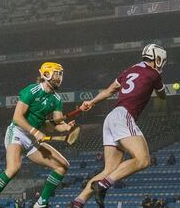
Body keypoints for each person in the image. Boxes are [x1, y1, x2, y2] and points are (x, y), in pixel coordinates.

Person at [71, 43, 168, 208]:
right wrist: (160, 82)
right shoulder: (154, 74)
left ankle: (76, 203)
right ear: (157, 58)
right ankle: (102, 185)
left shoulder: (128, 71)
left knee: (109, 169)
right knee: (143, 160)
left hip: (111, 118)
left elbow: (109, 91)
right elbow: (162, 96)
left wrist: (91, 102)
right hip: (124, 115)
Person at [0, 62, 75, 208]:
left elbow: (56, 124)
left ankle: (41, 203)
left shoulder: (57, 99)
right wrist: (35, 132)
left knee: (63, 166)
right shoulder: (31, 90)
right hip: (17, 132)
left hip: (32, 139)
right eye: (56, 74)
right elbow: (17, 117)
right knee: (14, 168)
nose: (59, 78)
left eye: (60, 74)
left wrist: (65, 127)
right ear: (46, 74)